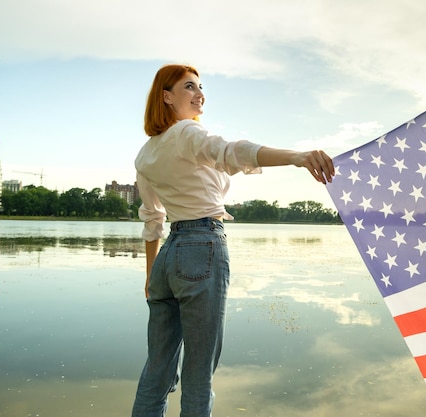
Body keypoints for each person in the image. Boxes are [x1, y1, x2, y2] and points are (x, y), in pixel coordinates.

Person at [130, 64, 335, 417]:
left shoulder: (145, 154)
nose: (199, 94)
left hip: (167, 258)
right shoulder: (186, 134)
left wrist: (151, 276)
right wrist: (296, 157)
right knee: (198, 373)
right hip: (202, 245)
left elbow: (153, 218)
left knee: (157, 369)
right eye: (189, 87)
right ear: (167, 97)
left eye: (200, 87)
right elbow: (231, 151)